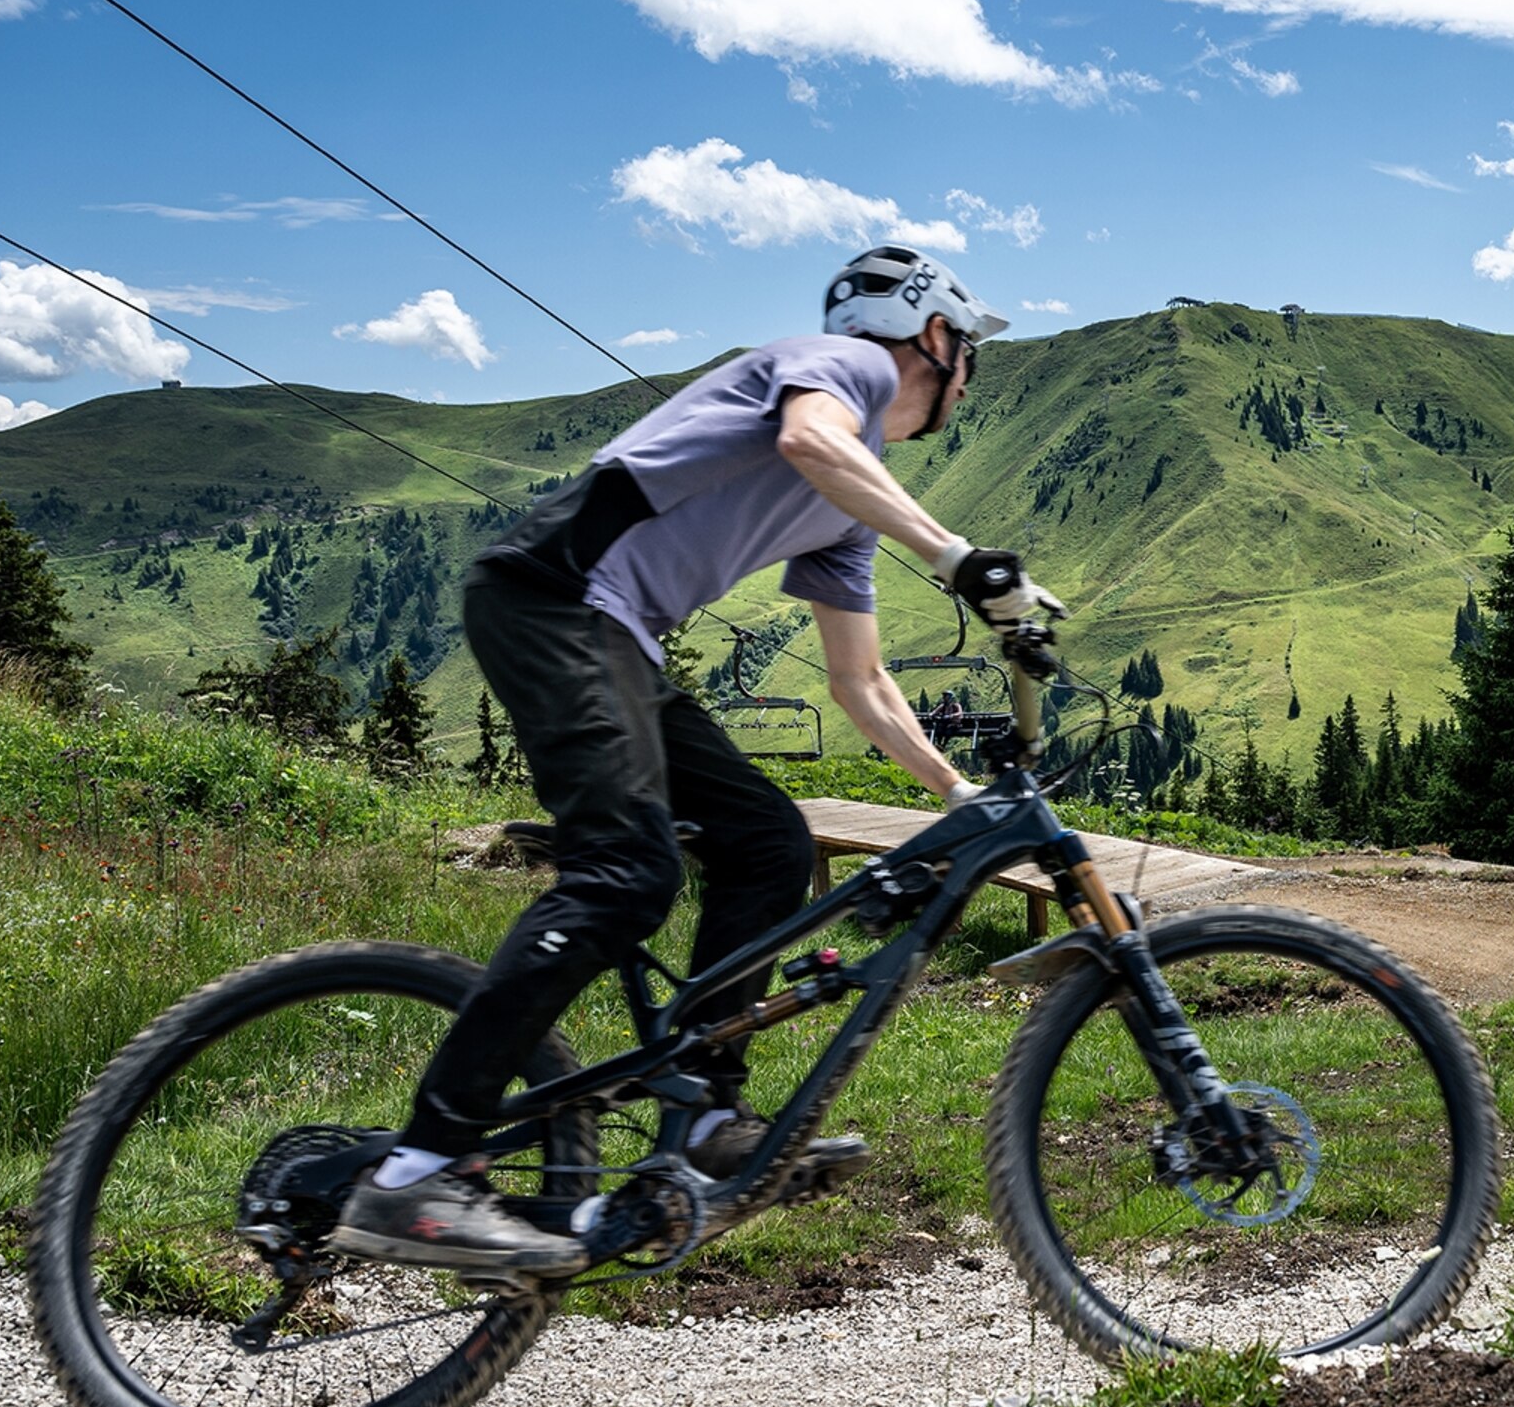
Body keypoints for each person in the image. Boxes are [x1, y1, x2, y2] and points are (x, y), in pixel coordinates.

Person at [333, 246, 1060, 1277]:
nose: (969, 374)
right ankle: (417, 1169)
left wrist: (960, 795)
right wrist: (954, 556)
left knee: (766, 841)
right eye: (967, 348)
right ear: (930, 335)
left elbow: (862, 682)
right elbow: (809, 438)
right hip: (554, 593)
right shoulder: (838, 369)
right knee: (626, 871)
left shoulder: (856, 493)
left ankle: (706, 1109)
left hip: (616, 631)